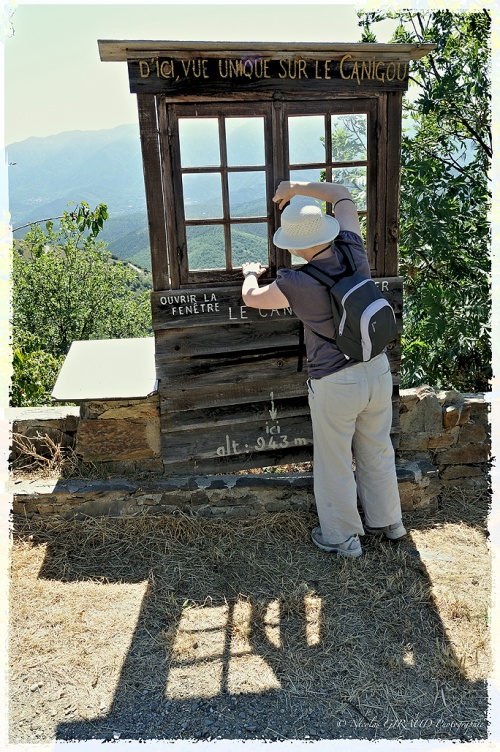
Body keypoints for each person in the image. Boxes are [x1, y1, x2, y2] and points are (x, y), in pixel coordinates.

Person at [241, 180, 406, 558]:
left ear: (295, 246)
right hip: (377, 369)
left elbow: (252, 299)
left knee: (333, 461)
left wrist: (250, 273)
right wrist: (297, 186)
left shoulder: (296, 282)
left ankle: (342, 538)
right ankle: (389, 522)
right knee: (378, 449)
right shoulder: (352, 249)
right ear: (327, 230)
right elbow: (342, 195)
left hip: (335, 381)